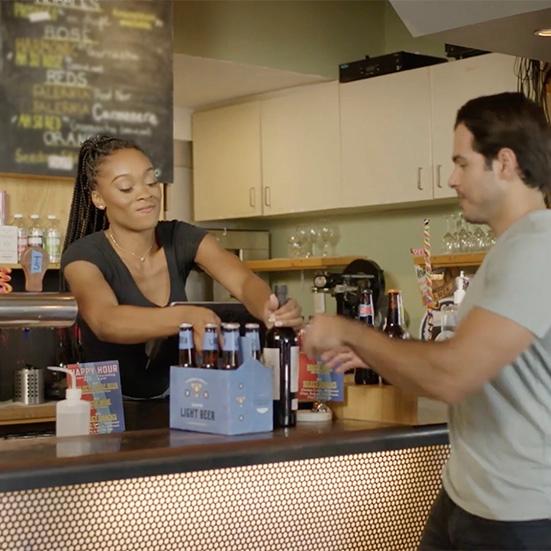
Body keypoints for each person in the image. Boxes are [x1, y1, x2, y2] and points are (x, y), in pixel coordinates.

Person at [303, 92, 551, 550]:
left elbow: (452, 374)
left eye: (462, 163)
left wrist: (350, 330)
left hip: (520, 515)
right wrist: (370, 351)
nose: (452, 179)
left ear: (505, 163)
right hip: (468, 497)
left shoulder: (538, 250)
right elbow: (458, 367)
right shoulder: (512, 251)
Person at [61, 135, 302, 405]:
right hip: (109, 409)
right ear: (98, 198)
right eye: (126, 187)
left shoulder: (179, 236)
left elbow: (243, 281)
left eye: (151, 181)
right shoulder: (83, 255)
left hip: (178, 400)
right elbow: (106, 321)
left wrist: (269, 308)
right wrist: (186, 316)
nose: (146, 193)